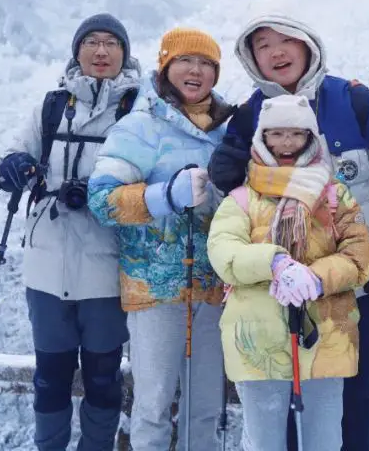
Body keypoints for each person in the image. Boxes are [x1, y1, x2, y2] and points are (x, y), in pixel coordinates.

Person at [208, 14, 369, 451]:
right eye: (263, 44)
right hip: (273, 290)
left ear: (308, 45)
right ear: (251, 57)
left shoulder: (353, 100)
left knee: (352, 393)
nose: (277, 52)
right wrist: (224, 172)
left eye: (286, 40)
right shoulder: (248, 116)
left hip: (350, 282)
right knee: (279, 395)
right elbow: (243, 199)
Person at [0, 13, 140, 451]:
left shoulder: (138, 110)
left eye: (111, 43)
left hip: (109, 263)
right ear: (77, 51)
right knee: (50, 376)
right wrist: (13, 166)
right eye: (91, 43)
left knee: (103, 376)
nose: (101, 52)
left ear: (124, 54)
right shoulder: (52, 105)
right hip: (47, 263)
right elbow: (14, 153)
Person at [86, 27, 234, 450]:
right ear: (166, 66)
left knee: (206, 408)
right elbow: (102, 201)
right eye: (186, 60)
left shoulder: (229, 130)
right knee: (152, 409)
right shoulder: (138, 126)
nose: (196, 71)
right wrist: (166, 195)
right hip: (155, 292)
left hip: (215, 290)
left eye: (207, 64)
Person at [208, 94, 369, 451]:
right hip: (257, 341)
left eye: (296, 135)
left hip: (327, 335)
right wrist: (274, 263)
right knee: (264, 441)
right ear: (262, 139)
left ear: (311, 139)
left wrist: (317, 277)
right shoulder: (241, 198)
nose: (286, 144)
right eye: (276, 134)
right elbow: (224, 252)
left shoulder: (335, 196)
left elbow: (361, 251)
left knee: (325, 439)